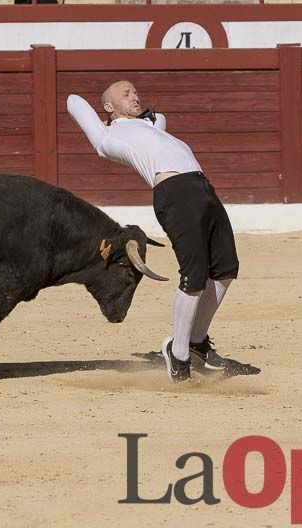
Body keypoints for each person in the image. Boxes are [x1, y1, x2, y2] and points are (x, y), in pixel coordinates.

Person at [67, 82, 239, 383]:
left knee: (225, 268)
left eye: (135, 92)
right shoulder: (109, 137)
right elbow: (73, 100)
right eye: (125, 94)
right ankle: (179, 354)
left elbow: (160, 118)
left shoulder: (151, 127)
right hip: (175, 193)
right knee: (194, 275)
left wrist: (145, 117)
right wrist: (112, 114)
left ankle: (196, 341)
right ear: (108, 107)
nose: (134, 96)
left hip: (203, 189)